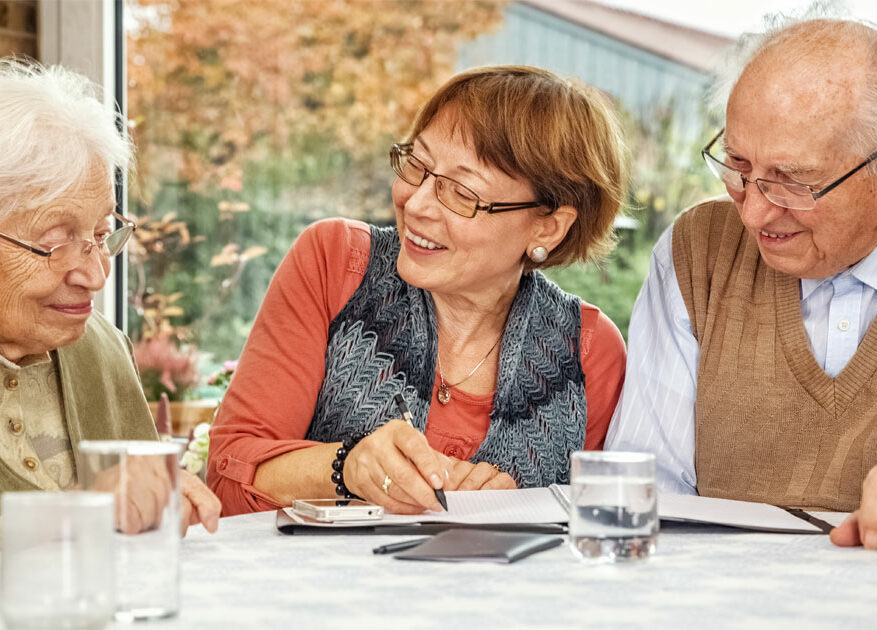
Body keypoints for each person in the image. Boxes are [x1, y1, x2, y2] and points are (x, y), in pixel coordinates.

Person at [208, 66, 628, 516]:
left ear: (548, 225)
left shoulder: (588, 353)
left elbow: (593, 534)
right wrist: (348, 469)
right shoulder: (336, 262)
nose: (417, 203)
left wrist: (520, 505)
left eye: (462, 192)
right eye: (417, 165)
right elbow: (226, 483)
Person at [606, 18, 877, 550]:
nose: (755, 212)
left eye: (793, 181)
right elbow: (643, 495)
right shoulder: (697, 253)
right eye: (738, 165)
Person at [0, 58, 220, 536]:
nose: (96, 276)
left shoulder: (97, 345)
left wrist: (161, 501)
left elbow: (136, 532)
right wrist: (82, 513)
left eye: (102, 234)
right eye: (57, 242)